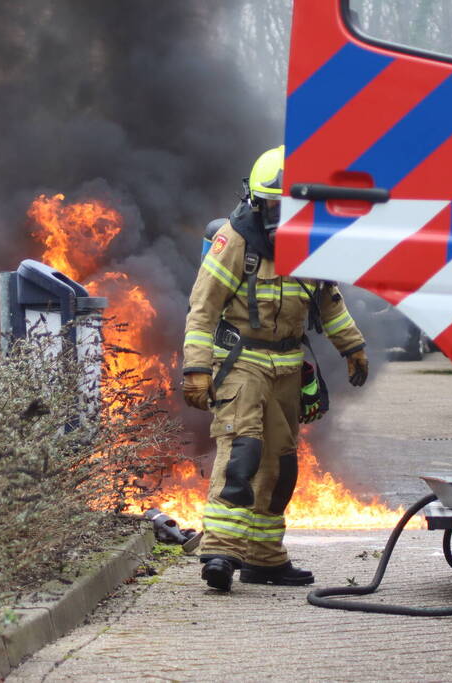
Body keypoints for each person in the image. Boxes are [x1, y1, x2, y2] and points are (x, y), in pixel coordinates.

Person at [181, 145, 369, 592]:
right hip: (242, 362)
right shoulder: (236, 241)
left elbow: (329, 303)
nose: (282, 217)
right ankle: (221, 553)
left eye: (292, 207)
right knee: (242, 452)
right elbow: (203, 309)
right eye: (273, 206)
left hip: (287, 365)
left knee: (281, 466)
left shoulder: (315, 243)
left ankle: (265, 558)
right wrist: (196, 369)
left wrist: (352, 347)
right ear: (255, 201)